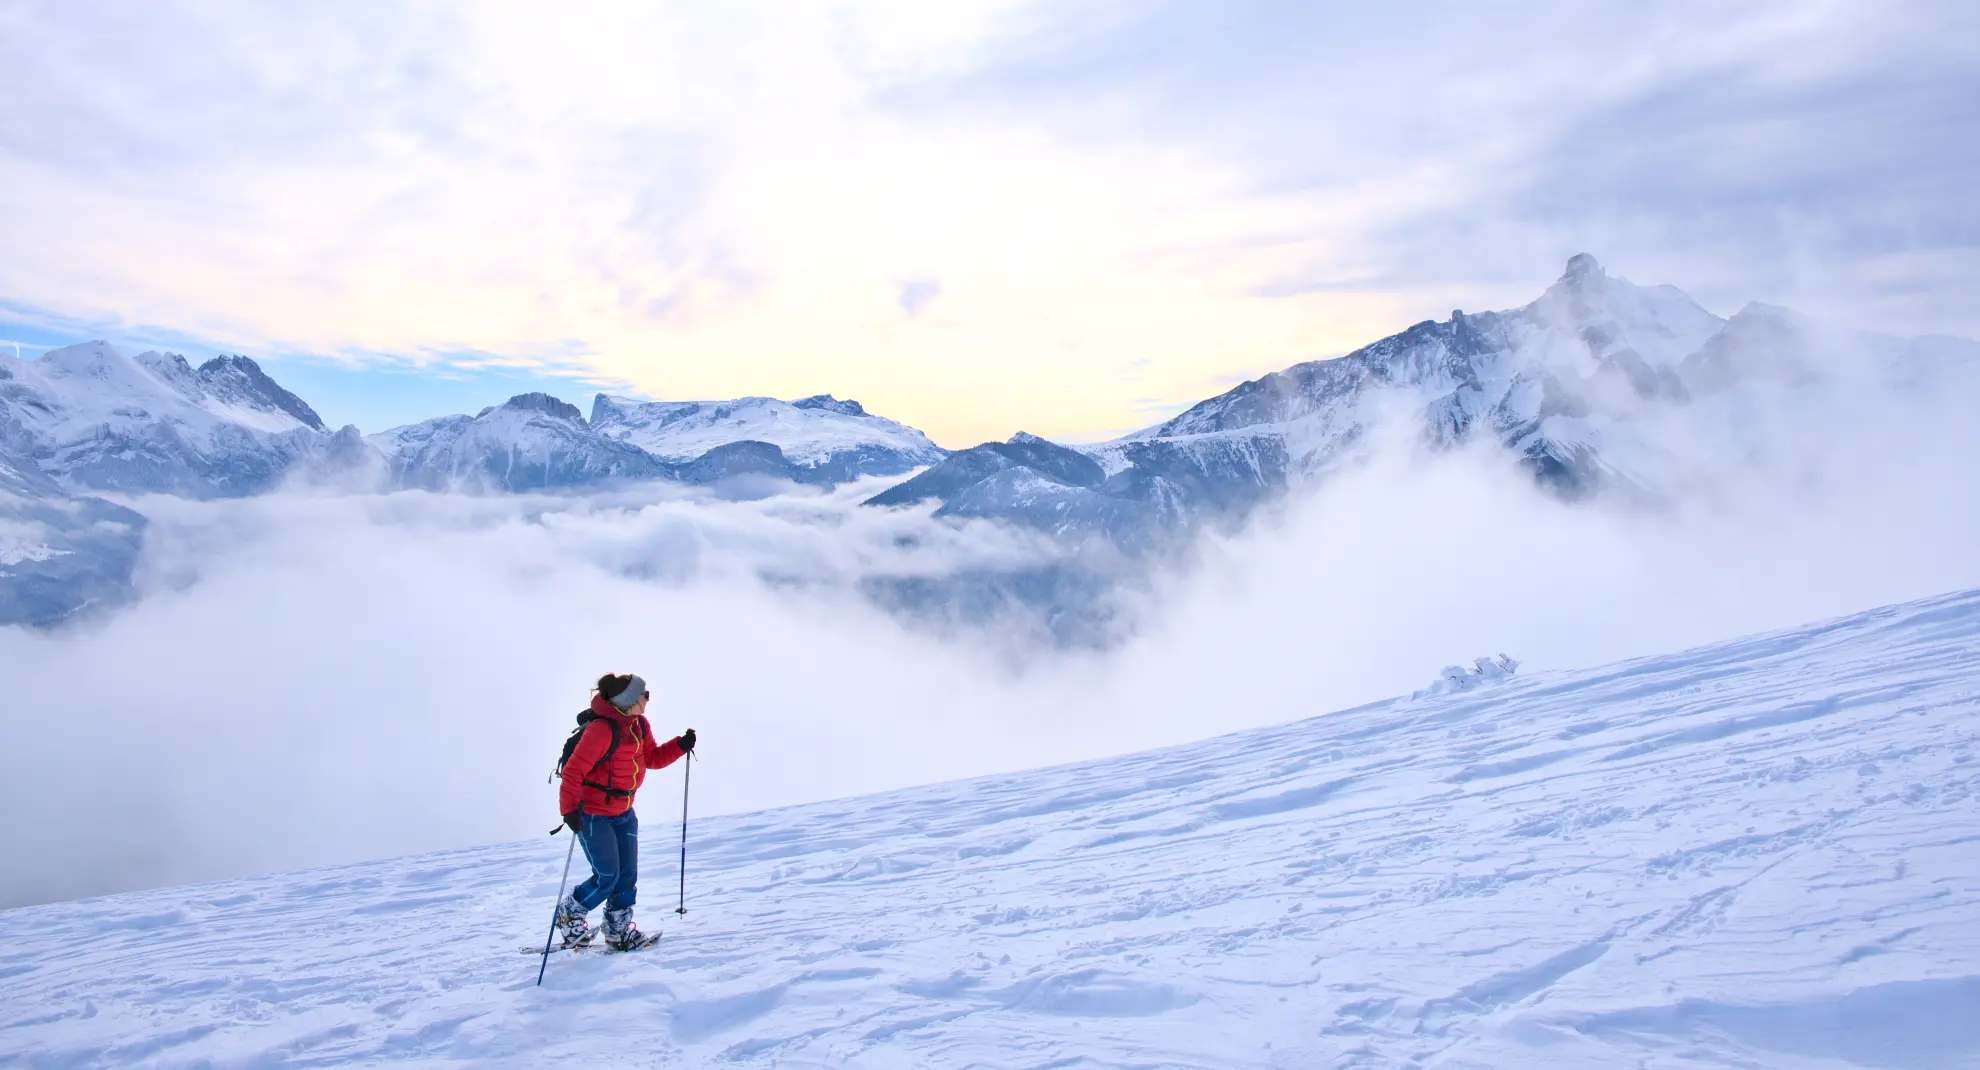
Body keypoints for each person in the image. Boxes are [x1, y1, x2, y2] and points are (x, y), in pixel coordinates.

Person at [555, 672, 696, 951]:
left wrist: (679, 746)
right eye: (645, 695)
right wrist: (569, 810)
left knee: (627, 874)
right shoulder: (601, 730)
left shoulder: (639, 725)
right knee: (607, 876)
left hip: (624, 811)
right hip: (593, 813)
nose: (648, 699)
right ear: (630, 701)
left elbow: (652, 758)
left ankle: (617, 931)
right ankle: (569, 914)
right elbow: (573, 772)